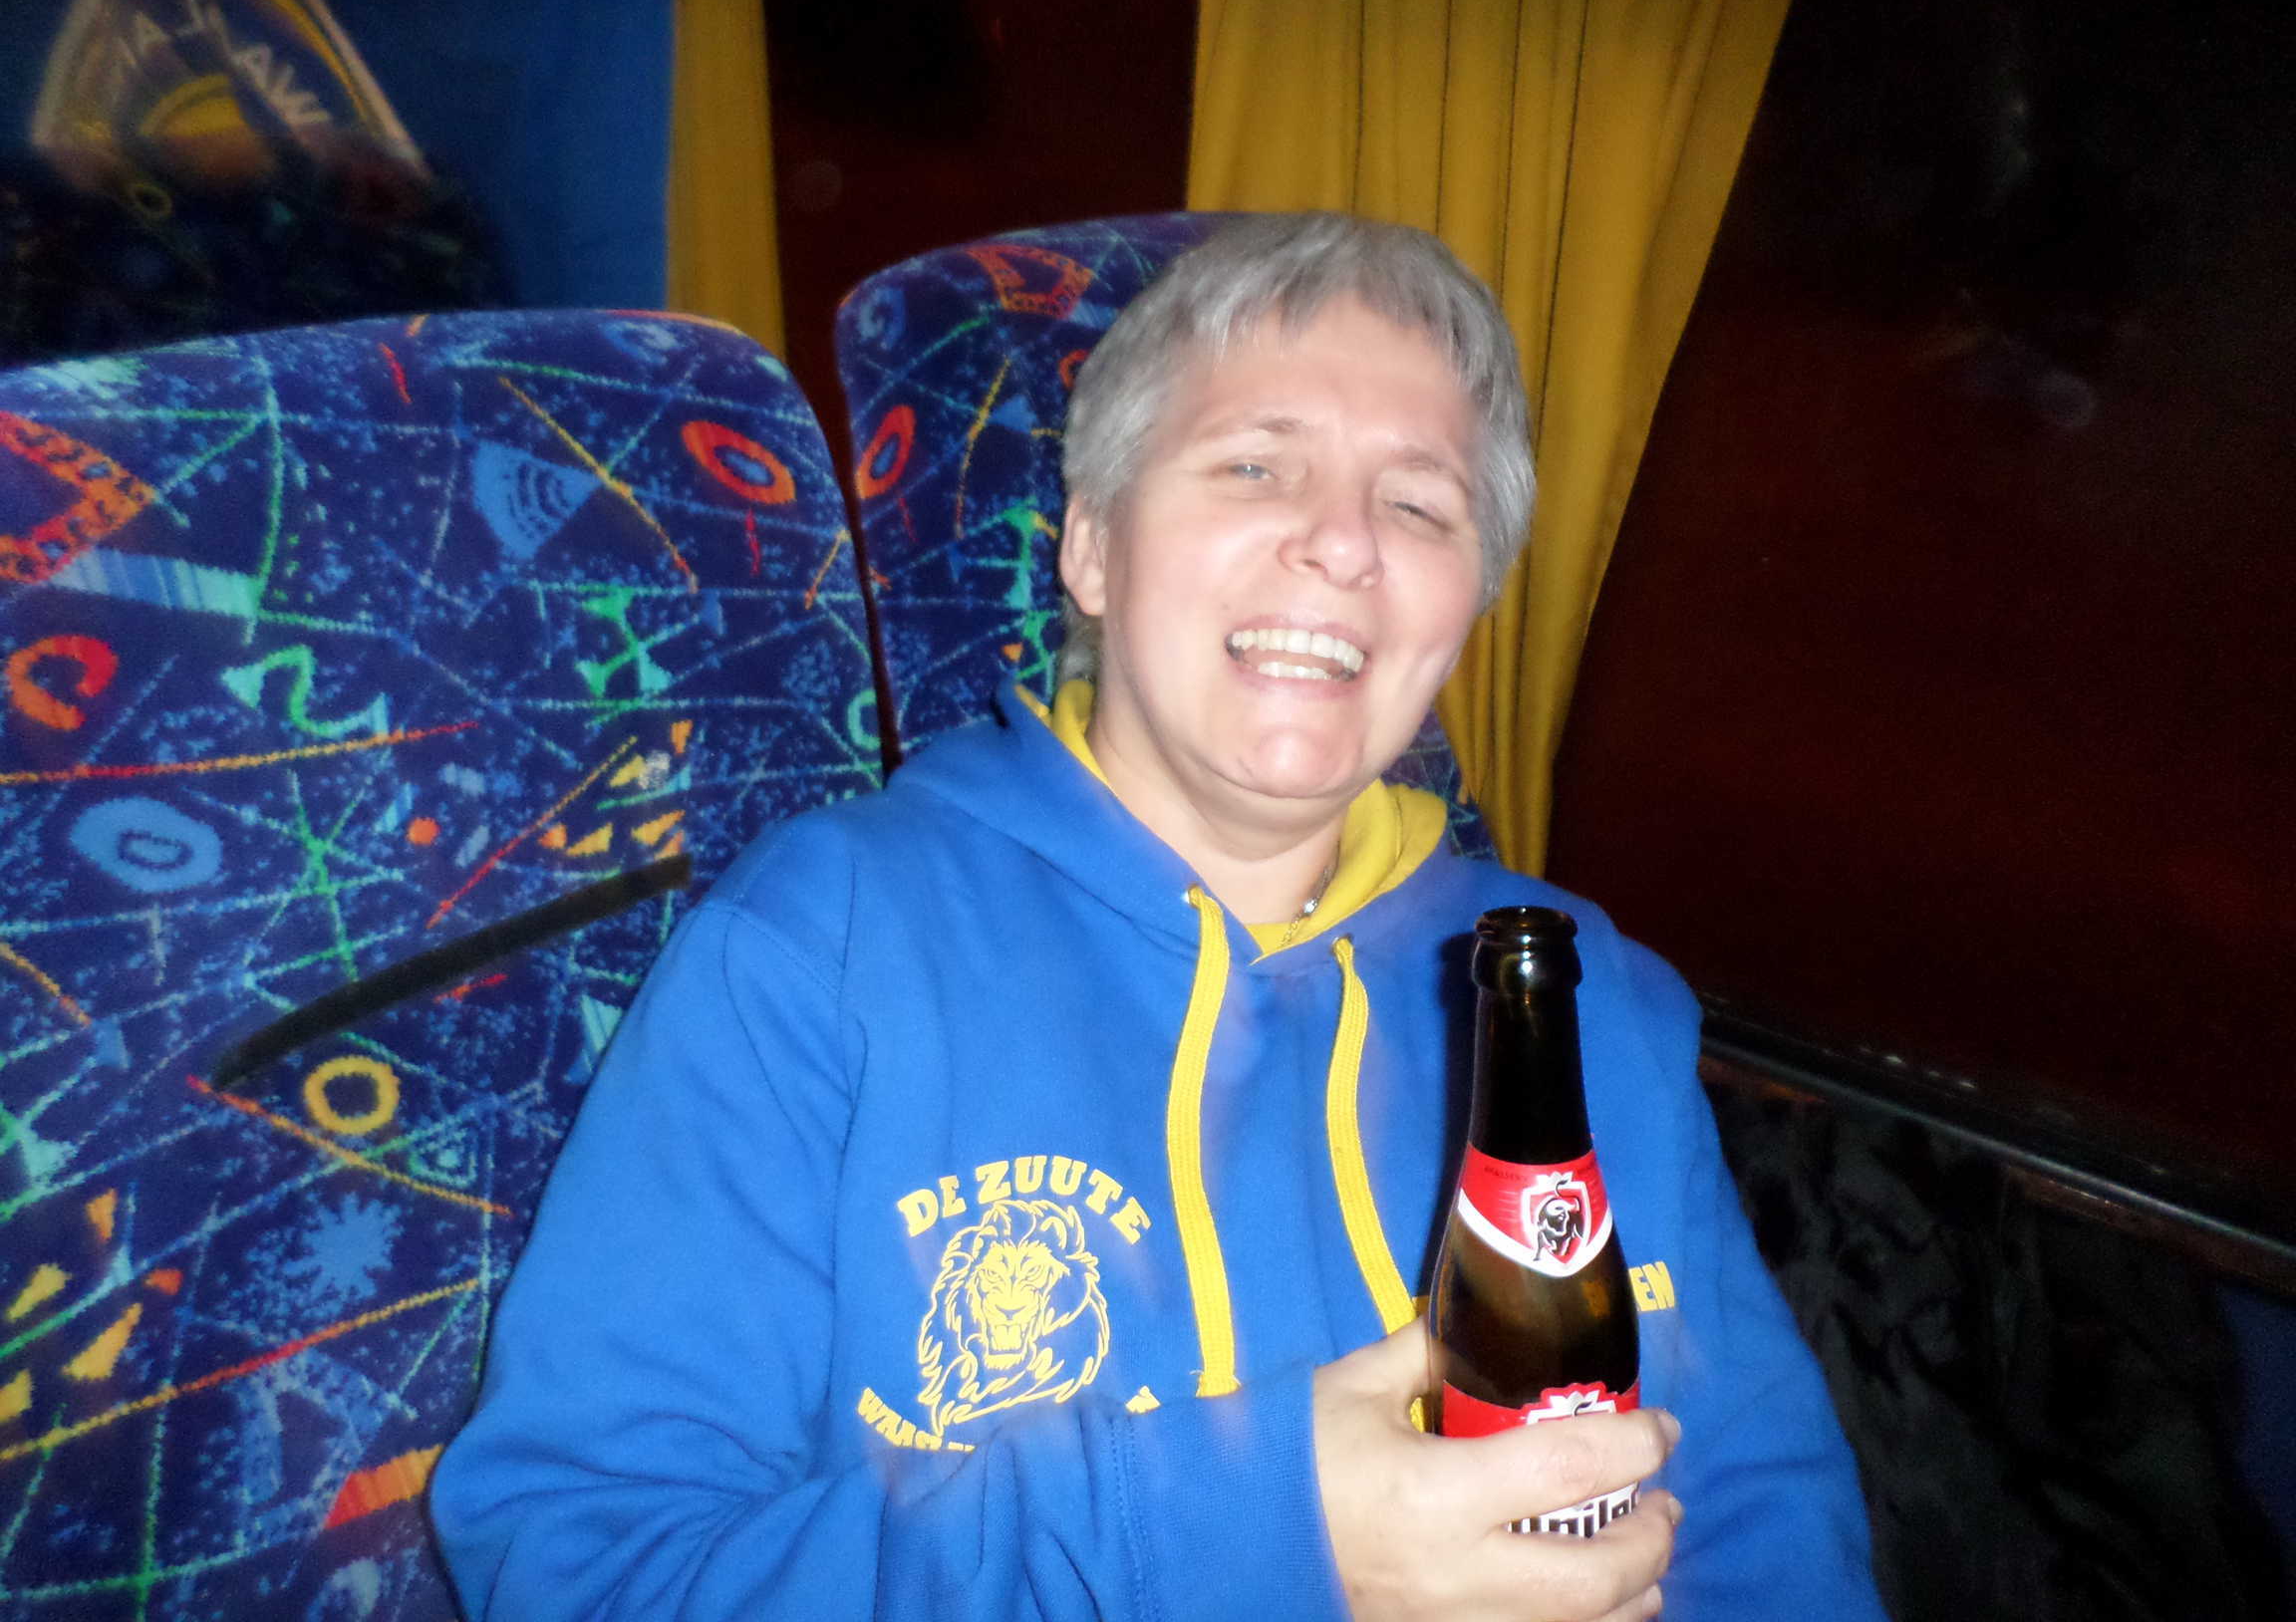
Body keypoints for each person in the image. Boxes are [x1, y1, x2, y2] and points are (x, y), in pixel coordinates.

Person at [430, 214, 1884, 1620]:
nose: (1342, 544)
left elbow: (1765, 1534)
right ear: (1092, 547)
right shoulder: (818, 949)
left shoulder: (1587, 1001)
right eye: (1254, 465)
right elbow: (576, 1569)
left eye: (1418, 504)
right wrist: (1237, 1539)